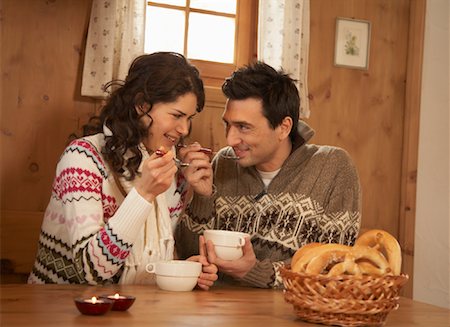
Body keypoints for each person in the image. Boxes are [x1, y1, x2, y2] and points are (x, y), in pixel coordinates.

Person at [28, 52, 218, 288]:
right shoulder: (82, 158)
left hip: (138, 310)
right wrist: (143, 195)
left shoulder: (170, 170)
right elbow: (91, 271)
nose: (184, 129)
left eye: (189, 118)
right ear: (141, 105)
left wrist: (186, 270)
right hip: (63, 310)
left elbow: (159, 258)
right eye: (177, 115)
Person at [175, 61, 361, 288]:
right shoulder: (223, 162)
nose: (231, 139)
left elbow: (336, 269)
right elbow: (189, 254)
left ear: (284, 127)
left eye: (244, 127)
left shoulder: (333, 167)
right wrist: (202, 198)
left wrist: (256, 272)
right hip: (218, 313)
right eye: (227, 125)